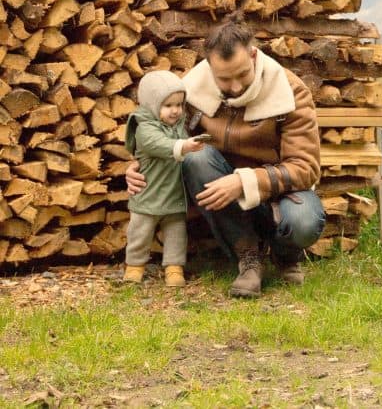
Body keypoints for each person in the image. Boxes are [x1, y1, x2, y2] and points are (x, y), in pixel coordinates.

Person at [126, 20, 326, 298]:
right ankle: (248, 258)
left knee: (304, 221)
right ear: (209, 66)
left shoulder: (291, 91)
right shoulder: (191, 90)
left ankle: (284, 254)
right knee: (196, 159)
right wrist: (140, 163)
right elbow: (166, 136)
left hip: (277, 195)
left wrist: (244, 181)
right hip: (223, 196)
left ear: (253, 55)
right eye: (224, 78)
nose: (234, 87)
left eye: (242, 74)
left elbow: (305, 168)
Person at [123, 70, 205, 287]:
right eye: (168, 105)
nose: (175, 111)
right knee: (140, 232)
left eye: (179, 105)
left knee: (176, 234)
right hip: (148, 194)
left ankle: (174, 267)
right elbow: (158, 144)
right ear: (152, 104)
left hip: (174, 195)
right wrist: (184, 146)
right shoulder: (144, 128)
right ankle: (134, 266)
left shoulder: (180, 126)